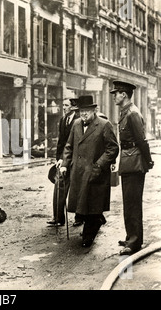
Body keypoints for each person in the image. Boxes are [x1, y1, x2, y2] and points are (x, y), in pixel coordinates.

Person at [60, 95, 119, 247]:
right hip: (78, 172)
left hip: (95, 172)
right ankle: (96, 221)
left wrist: (99, 165)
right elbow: (69, 146)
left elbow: (113, 148)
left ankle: (88, 235)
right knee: (82, 206)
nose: (84, 114)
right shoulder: (76, 124)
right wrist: (65, 163)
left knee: (92, 204)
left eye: (87, 111)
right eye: (81, 111)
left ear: (94, 111)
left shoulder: (104, 125)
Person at [110, 81, 154, 255]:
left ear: (124, 94)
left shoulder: (132, 113)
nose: (114, 96)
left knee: (133, 203)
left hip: (134, 163)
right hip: (129, 161)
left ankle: (135, 242)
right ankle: (131, 237)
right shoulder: (126, 112)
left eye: (116, 93)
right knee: (128, 202)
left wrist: (148, 161)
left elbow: (142, 140)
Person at [47, 97, 80, 227]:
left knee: (77, 189)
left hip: (76, 159)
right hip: (64, 159)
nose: (64, 107)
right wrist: (59, 158)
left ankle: (79, 217)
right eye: (64, 105)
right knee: (59, 186)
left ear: (72, 107)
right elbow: (61, 141)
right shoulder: (63, 120)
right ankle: (58, 217)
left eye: (66, 105)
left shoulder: (78, 120)